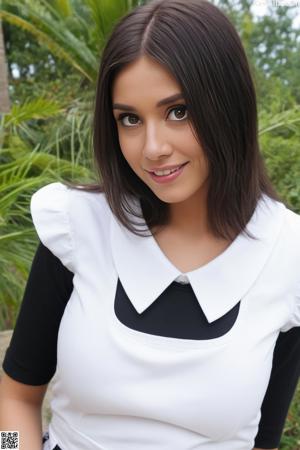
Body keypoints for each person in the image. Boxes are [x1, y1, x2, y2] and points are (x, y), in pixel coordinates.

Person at [0, 0, 299, 449]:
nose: (152, 147)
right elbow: (16, 396)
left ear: (230, 105)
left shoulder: (288, 255)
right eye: (130, 119)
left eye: (178, 111)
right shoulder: (77, 228)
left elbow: (263, 442)